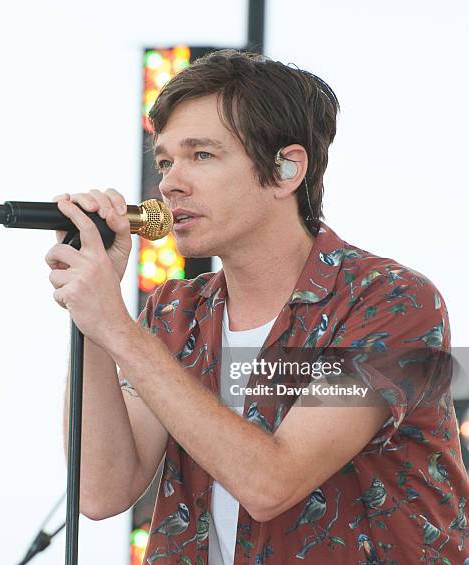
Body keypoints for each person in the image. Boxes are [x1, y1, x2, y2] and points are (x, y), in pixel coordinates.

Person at [45, 50, 469, 564]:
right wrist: (94, 321)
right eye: (165, 160)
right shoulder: (176, 314)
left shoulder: (390, 301)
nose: (169, 182)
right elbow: (100, 491)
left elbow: (270, 483)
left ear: (287, 168)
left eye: (201, 155)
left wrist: (118, 327)